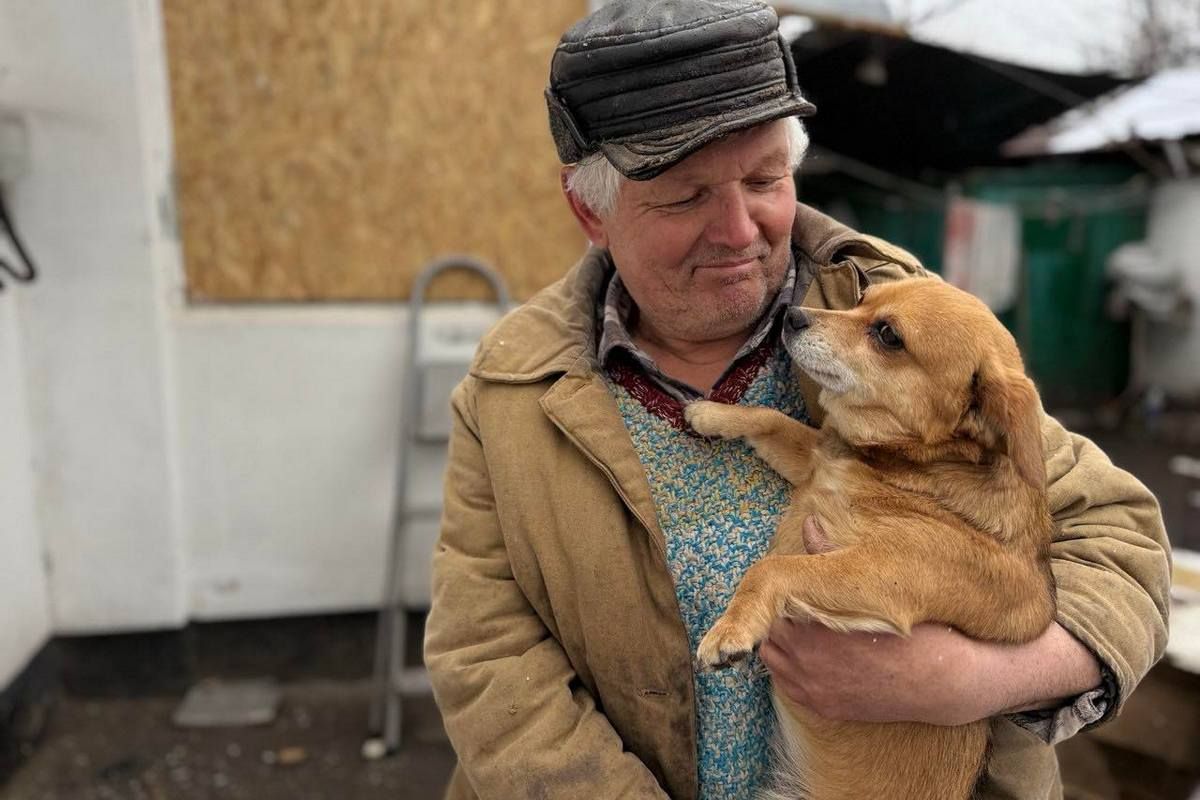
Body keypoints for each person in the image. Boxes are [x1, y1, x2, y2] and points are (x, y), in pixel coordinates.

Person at [423, 2, 1171, 798]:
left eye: (764, 178)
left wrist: (968, 681)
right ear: (590, 211)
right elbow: (486, 659)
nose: (739, 228)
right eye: (684, 197)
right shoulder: (512, 389)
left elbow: (1124, 541)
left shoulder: (897, 312)